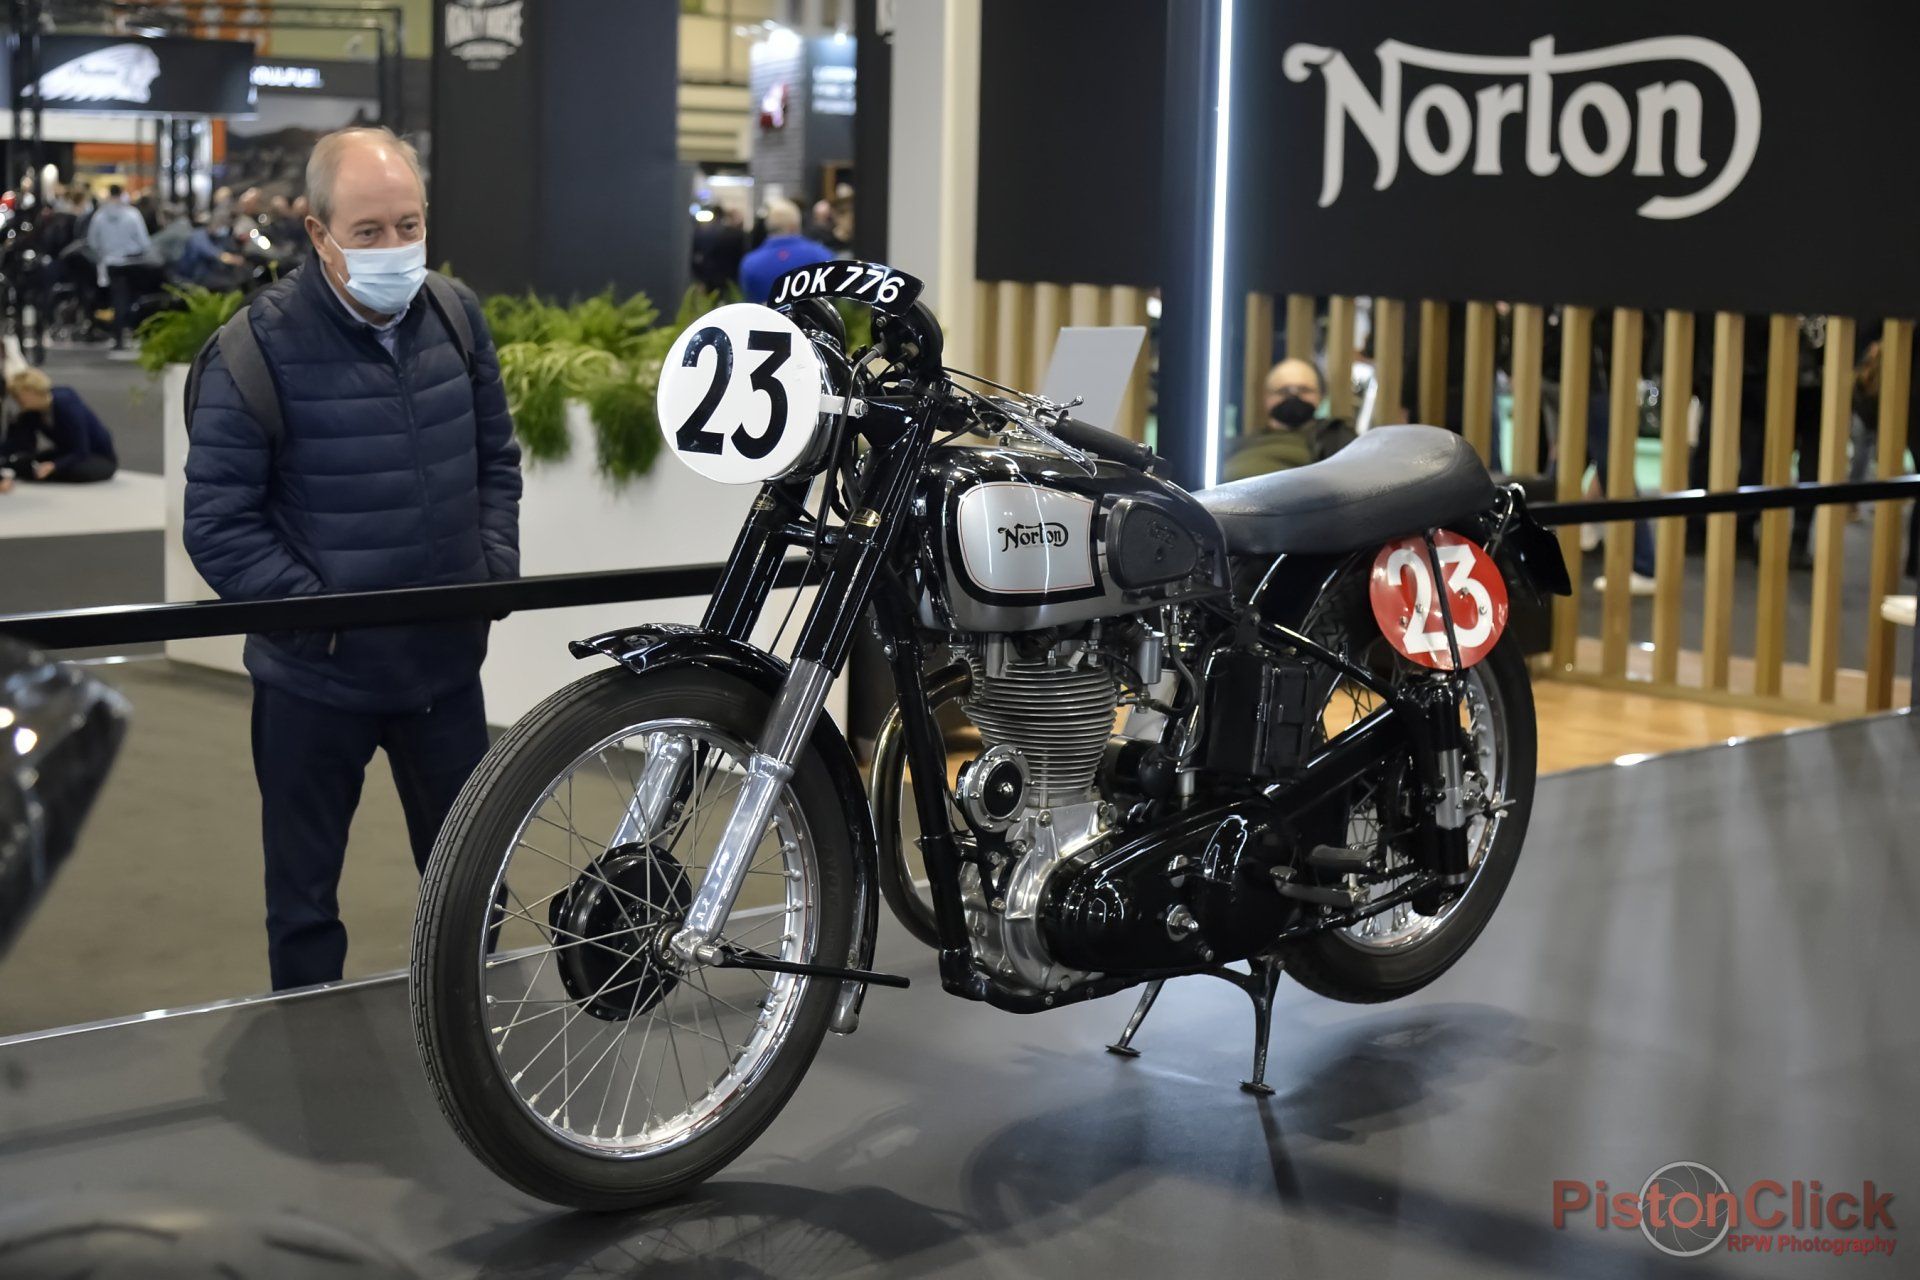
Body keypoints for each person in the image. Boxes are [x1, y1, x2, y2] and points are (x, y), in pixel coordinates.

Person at [184, 126, 522, 992]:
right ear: (318, 232)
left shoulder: (455, 315)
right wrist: (323, 622)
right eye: (368, 231)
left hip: (443, 668)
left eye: (409, 225)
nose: (394, 247)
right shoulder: (252, 351)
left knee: (473, 885)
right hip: (315, 684)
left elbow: (495, 462)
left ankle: (477, 1039)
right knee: (303, 907)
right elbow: (218, 524)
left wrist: (489, 574)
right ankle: (308, 1044)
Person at [1222, 357, 1356, 481]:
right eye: (1283, 391)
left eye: (1304, 390)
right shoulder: (1238, 444)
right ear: (1267, 398)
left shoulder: (1334, 436)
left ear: (1320, 396)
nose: (1294, 396)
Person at [0, 367, 117, 489]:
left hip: (94, 455)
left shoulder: (66, 404)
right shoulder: (31, 411)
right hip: (66, 451)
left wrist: (55, 465)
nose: (16, 399)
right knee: (22, 464)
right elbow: (19, 443)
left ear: (32, 391)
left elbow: (81, 449)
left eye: (18, 395)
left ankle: (52, 470)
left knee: (75, 471)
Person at [84, 183, 152, 349]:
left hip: (109, 263)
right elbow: (144, 242)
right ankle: (129, 331)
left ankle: (118, 334)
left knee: (116, 298)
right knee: (129, 298)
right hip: (131, 262)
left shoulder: (99, 216)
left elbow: (92, 242)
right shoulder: (133, 215)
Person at [739, 198, 836, 303]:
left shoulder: (750, 263)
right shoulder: (822, 255)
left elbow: (749, 300)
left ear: (768, 225)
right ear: (795, 225)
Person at [690, 203, 746, 293]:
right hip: (729, 280)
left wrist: (700, 277)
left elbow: (695, 256)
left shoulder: (701, 232)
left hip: (708, 278)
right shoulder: (734, 234)